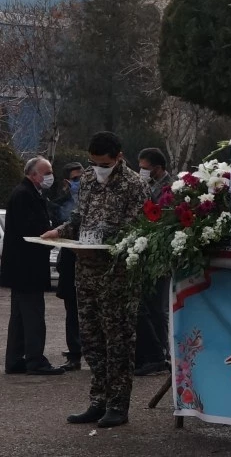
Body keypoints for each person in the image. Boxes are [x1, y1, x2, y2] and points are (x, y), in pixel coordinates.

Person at [41, 132, 149, 428]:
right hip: (86, 271)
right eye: (93, 163)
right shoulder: (88, 179)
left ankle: (118, 405)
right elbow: (79, 217)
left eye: (104, 164)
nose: (98, 169)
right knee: (91, 339)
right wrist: (60, 231)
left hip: (117, 275)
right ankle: (98, 400)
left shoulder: (135, 185)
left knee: (118, 341)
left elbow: (137, 228)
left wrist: (102, 239)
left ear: (118, 157)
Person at [1, 157, 64, 376]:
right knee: (33, 315)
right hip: (27, 267)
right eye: (46, 173)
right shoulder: (24, 195)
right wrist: (52, 234)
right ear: (33, 174)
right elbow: (31, 229)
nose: (50, 177)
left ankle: (15, 359)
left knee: (20, 317)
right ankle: (35, 360)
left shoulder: (29, 193)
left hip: (21, 267)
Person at [134, 147, 173, 376]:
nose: (141, 171)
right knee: (148, 306)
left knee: (158, 308)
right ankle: (154, 353)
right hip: (146, 252)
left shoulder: (170, 188)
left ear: (158, 168)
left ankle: (162, 353)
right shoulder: (146, 186)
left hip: (160, 254)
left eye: (145, 168)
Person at [52, 162, 85, 371]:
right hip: (70, 262)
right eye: (75, 179)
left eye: (82, 177)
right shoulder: (59, 204)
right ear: (67, 182)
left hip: (92, 262)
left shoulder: (96, 198)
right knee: (72, 311)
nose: (80, 182)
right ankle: (74, 353)